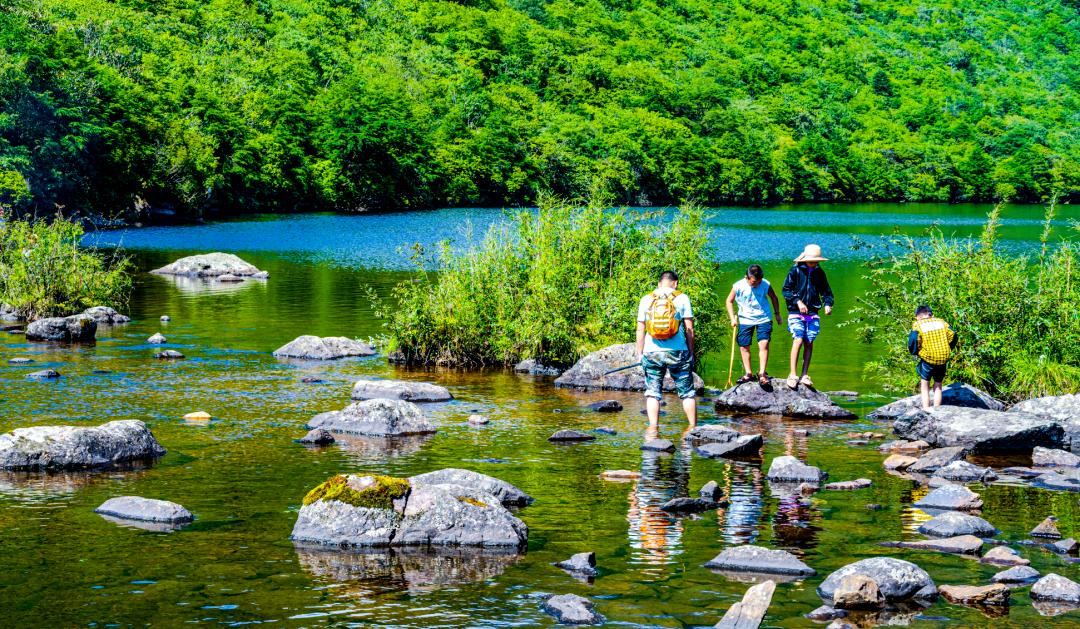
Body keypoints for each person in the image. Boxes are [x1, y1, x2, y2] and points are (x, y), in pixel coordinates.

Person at [636, 270, 696, 436]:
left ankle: (653, 428)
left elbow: (640, 328)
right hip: (678, 351)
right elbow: (689, 328)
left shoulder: (646, 299)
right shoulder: (682, 298)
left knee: (653, 393)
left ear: (659, 283)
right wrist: (691, 352)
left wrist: (640, 353)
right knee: (687, 392)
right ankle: (692, 429)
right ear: (675, 283)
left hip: (651, 351)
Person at [781, 244, 834, 389]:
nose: (814, 263)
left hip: (813, 312)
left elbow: (826, 292)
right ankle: (792, 374)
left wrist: (828, 304)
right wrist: (798, 302)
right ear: (804, 259)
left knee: (809, 341)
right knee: (798, 338)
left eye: (816, 261)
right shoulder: (795, 270)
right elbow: (786, 290)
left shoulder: (819, 273)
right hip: (795, 311)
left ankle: (804, 374)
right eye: (812, 261)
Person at [725, 264, 783, 386]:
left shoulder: (765, 284)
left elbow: (774, 298)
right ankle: (748, 373)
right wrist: (732, 318)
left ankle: (762, 373)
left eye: (759, 281)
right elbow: (729, 301)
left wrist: (777, 314)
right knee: (744, 345)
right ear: (746, 278)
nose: (757, 284)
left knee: (764, 343)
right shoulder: (738, 286)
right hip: (745, 319)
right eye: (754, 282)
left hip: (764, 317)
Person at [908, 305, 957, 409]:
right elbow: (954, 335)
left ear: (918, 316)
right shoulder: (941, 322)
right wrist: (948, 348)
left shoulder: (917, 324)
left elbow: (913, 342)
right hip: (943, 357)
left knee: (925, 384)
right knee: (938, 385)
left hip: (928, 358)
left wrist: (915, 352)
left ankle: (926, 410)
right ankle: (937, 410)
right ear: (931, 314)